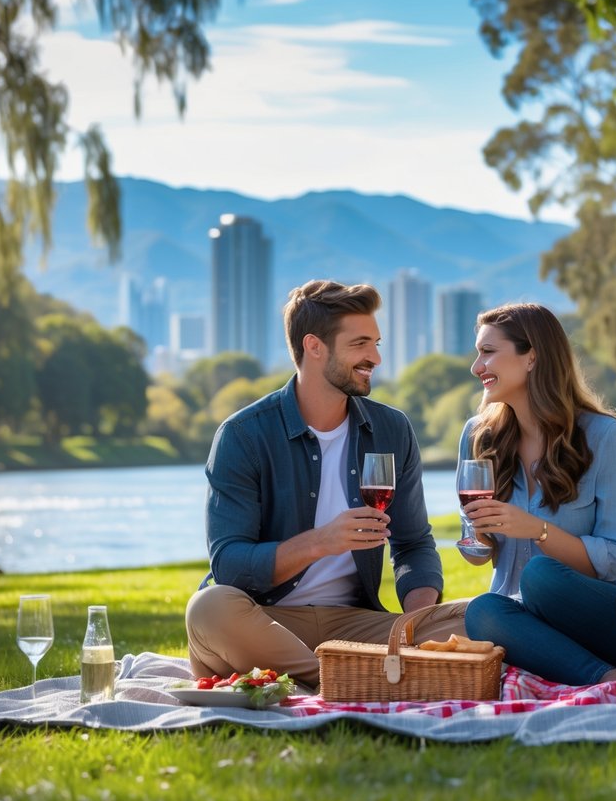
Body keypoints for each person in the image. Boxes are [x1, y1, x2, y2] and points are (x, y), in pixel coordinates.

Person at [185, 279, 466, 689]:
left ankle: (342, 678)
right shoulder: (244, 435)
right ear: (314, 346)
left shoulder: (392, 428)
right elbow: (229, 563)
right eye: (361, 344)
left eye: (377, 343)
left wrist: (414, 620)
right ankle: (356, 681)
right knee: (208, 609)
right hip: (263, 619)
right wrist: (322, 541)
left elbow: (413, 544)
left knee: (479, 616)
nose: (375, 358)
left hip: (356, 625)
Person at [457, 303, 616, 685]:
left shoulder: (603, 436)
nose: (476, 366)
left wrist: (537, 530)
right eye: (477, 353)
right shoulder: (477, 436)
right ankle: (610, 682)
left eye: (488, 352)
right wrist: (479, 536)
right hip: (533, 624)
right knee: (483, 611)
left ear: (531, 356)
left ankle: (613, 670)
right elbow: (477, 553)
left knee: (541, 577)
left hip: (612, 618)